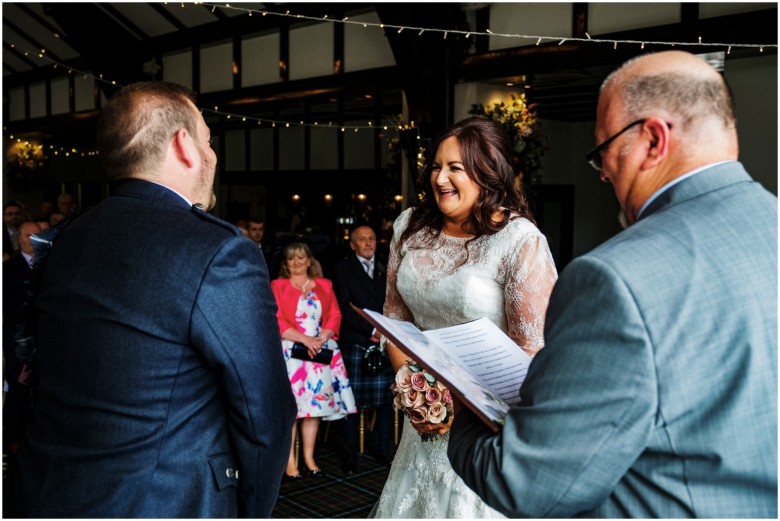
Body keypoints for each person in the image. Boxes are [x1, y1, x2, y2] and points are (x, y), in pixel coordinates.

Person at [448, 50, 778, 518]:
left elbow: (526, 485)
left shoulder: (615, 279)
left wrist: (463, 395)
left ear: (653, 140)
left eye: (602, 149)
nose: (602, 171)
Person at [15, 81, 297, 518]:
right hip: (163, 501)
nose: (212, 155)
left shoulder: (68, 238)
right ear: (184, 145)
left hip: (45, 491)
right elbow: (265, 412)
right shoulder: (217, 250)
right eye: (207, 140)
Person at [371, 116, 558, 518]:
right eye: (437, 166)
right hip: (424, 415)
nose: (440, 178)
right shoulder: (409, 227)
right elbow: (395, 318)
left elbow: (532, 349)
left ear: (488, 173)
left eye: (455, 167)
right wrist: (415, 390)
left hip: (485, 419)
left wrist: (460, 404)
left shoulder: (519, 240)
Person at [271, 242, 357, 480]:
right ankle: (289, 462)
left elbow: (335, 315)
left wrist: (320, 338)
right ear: (285, 264)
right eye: (291, 259)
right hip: (291, 352)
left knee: (314, 409)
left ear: (309, 260)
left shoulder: (324, 284)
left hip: (320, 351)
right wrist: (306, 340)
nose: (296, 262)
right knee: (292, 410)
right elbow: (276, 319)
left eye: (301, 258)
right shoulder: (277, 286)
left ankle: (309, 458)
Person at [332, 225, 396, 474]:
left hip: (383, 341)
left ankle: (383, 448)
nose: (368, 243)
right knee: (351, 401)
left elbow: (394, 302)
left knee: (386, 400)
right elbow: (344, 306)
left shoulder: (387, 266)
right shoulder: (342, 268)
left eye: (371, 238)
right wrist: (372, 331)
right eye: (362, 239)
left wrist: (385, 331)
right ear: (352, 244)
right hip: (357, 341)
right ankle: (350, 454)